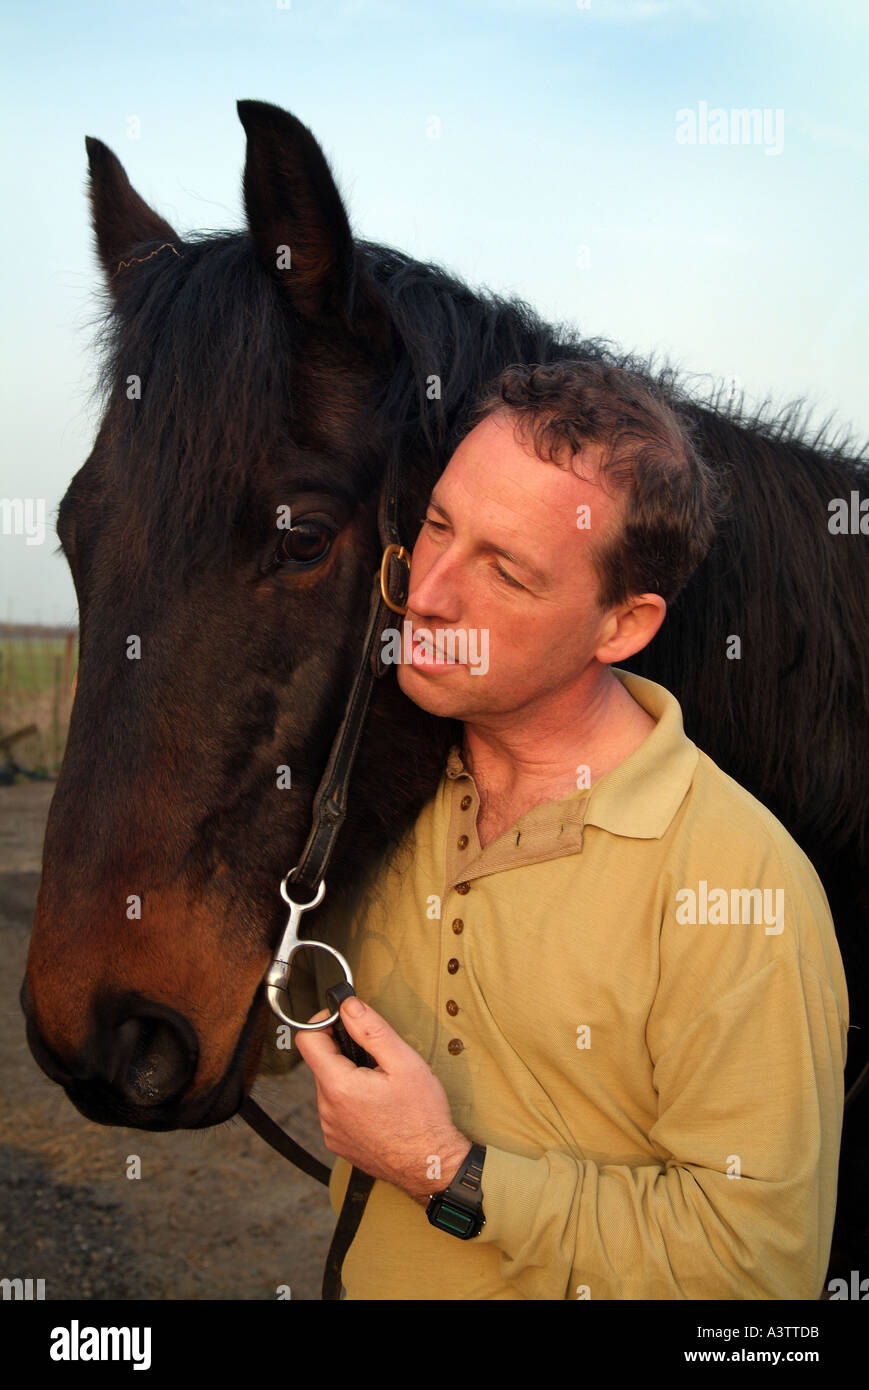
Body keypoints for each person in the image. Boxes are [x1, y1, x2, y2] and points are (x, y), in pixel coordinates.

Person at [288, 360, 848, 1300]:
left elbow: (758, 1274)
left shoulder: (739, 884)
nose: (426, 595)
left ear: (621, 627)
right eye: (436, 526)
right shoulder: (381, 785)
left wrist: (445, 1169)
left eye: (503, 569)